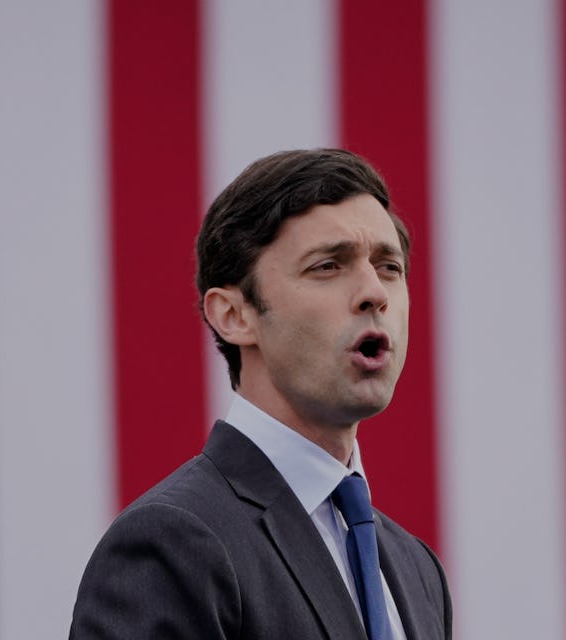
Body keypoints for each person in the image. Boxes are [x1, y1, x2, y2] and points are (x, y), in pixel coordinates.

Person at [70, 148, 451, 639]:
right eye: (328, 266)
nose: (373, 292)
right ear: (234, 315)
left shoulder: (417, 569)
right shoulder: (173, 542)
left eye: (389, 267)